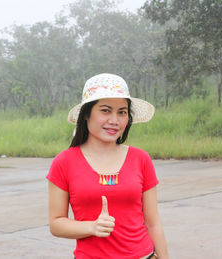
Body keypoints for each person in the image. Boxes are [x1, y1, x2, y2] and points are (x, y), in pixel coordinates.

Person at [47, 73, 168, 259]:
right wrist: (91, 227)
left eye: (122, 112)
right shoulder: (64, 163)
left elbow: (153, 223)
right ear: (86, 114)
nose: (115, 120)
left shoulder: (140, 159)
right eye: (105, 110)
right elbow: (56, 223)